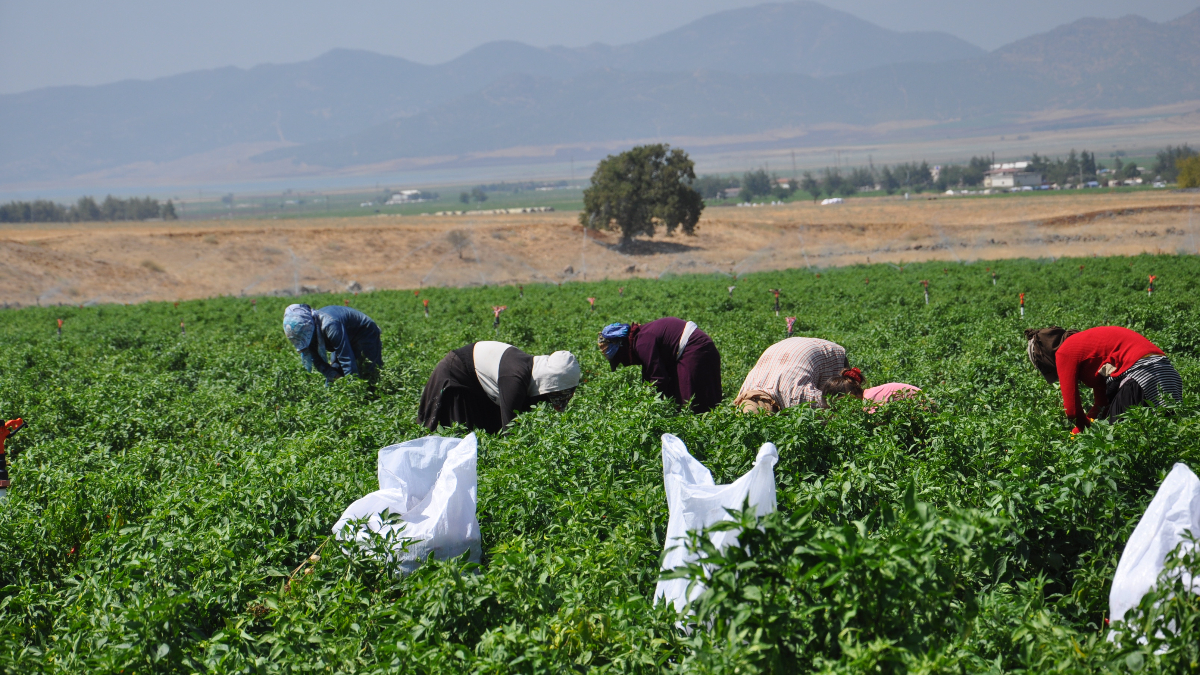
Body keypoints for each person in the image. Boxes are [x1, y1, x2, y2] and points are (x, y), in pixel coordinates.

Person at [1024, 326, 1183, 430]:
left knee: (1117, 441)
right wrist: (1086, 423)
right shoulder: (1087, 348)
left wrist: (1081, 430)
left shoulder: (1065, 352)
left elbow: (1071, 410)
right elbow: (1102, 404)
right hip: (1167, 374)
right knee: (1168, 435)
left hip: (1140, 375)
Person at [419, 341, 580, 434]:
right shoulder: (514, 380)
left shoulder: (528, 374)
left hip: (476, 386)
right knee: (457, 440)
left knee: (485, 433)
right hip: (456, 379)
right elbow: (510, 429)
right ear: (551, 382)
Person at [597, 318, 722, 413]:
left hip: (697, 349)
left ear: (622, 347)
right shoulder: (639, 339)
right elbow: (650, 375)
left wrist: (647, 406)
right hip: (690, 350)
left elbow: (658, 378)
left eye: (620, 359)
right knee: (679, 397)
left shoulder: (642, 343)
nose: (624, 364)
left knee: (691, 403)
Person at [733, 337, 849, 413]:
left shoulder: (796, 395)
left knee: (839, 395)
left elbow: (827, 404)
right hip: (788, 349)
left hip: (826, 353)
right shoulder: (745, 392)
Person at [282, 304, 383, 382]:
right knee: (334, 373)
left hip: (364, 332)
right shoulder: (309, 336)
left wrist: (353, 388)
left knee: (371, 371)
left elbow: (346, 358)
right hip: (343, 336)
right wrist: (336, 377)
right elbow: (317, 361)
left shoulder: (330, 325)